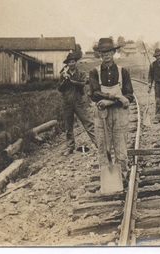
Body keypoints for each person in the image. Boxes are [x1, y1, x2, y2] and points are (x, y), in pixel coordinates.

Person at [89, 38, 134, 177]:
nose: (106, 55)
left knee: (120, 143)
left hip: (120, 114)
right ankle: (106, 176)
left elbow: (129, 96)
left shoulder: (123, 72)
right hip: (102, 113)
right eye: (103, 52)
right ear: (100, 54)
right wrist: (116, 97)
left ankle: (122, 175)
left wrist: (110, 102)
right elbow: (95, 94)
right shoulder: (94, 72)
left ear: (114, 52)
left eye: (109, 51)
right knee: (102, 145)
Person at [57, 52, 97, 156]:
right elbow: (60, 89)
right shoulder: (63, 74)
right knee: (68, 127)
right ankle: (70, 147)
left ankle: (98, 144)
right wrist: (64, 81)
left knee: (88, 123)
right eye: (69, 62)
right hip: (67, 103)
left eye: (73, 61)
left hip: (79, 102)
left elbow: (82, 84)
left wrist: (71, 80)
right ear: (67, 64)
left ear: (76, 62)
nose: (72, 64)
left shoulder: (81, 74)